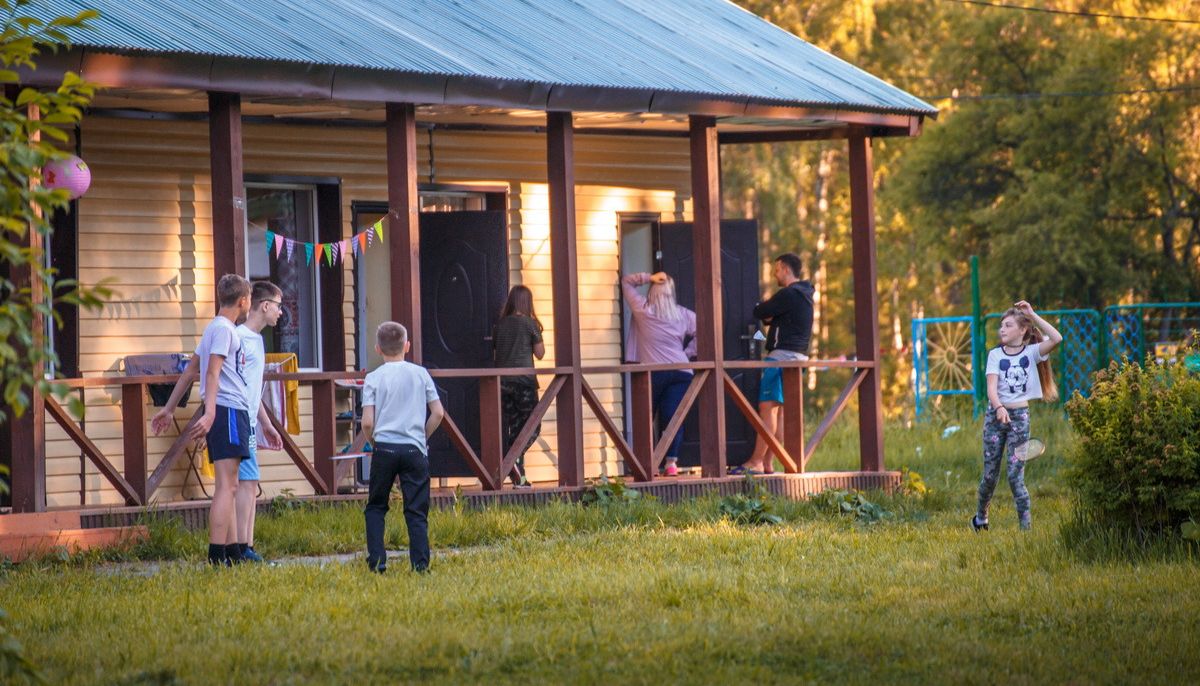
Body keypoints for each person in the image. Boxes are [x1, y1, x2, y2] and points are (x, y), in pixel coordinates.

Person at [150, 274, 253, 566]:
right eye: (250, 300)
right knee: (226, 486)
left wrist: (169, 408)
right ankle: (216, 556)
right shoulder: (224, 330)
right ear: (243, 301)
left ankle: (233, 553)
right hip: (228, 410)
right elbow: (211, 373)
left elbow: (189, 371)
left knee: (229, 484)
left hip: (227, 411)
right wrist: (210, 412)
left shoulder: (214, 329)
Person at [361, 322, 444, 573]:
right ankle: (420, 564)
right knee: (416, 510)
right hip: (414, 448)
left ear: (378, 349)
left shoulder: (373, 378)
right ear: (407, 346)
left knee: (376, 506)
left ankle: (377, 562)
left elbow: (367, 421)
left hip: (385, 447)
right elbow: (438, 413)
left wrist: (374, 441)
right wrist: (422, 437)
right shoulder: (420, 374)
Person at [973, 301, 1062, 532]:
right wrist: (999, 407)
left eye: (1008, 325)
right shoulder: (995, 355)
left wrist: (1032, 314)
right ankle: (981, 517)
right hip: (995, 417)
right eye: (1001, 325)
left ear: (1022, 330)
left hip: (1020, 418)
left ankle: (1026, 528)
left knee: (1015, 476)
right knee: (990, 476)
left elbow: (1056, 338)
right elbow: (991, 388)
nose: (1002, 329)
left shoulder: (1033, 353)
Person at [732, 253, 814, 475]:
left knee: (767, 409)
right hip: (797, 359)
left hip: (781, 358)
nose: (775, 274)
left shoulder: (789, 293)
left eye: (777, 270)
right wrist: (772, 317)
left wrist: (763, 308)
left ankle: (756, 461)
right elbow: (773, 318)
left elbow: (760, 311)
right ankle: (769, 463)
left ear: (786, 269)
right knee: (779, 413)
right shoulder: (804, 295)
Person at [621, 271, 697, 477]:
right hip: (681, 372)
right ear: (671, 293)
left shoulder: (643, 310)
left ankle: (648, 464)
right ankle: (671, 463)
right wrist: (687, 354)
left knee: (646, 417)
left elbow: (626, 282)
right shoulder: (682, 314)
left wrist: (649, 277)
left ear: (653, 290)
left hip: (653, 372)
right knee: (673, 418)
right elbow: (702, 328)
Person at [230, 282, 285, 562]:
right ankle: (240, 547)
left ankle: (247, 545)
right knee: (245, 483)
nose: (280, 313)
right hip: (237, 418)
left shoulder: (258, 341)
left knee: (251, 483)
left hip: (251, 419)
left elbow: (254, 388)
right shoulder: (238, 337)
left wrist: (266, 423)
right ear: (264, 306)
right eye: (278, 306)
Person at [492, 285, 545, 488]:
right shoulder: (530, 324)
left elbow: (496, 354)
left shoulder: (500, 325)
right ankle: (510, 457)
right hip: (524, 383)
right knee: (533, 426)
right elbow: (540, 354)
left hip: (503, 383)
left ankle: (520, 479)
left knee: (514, 428)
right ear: (527, 302)